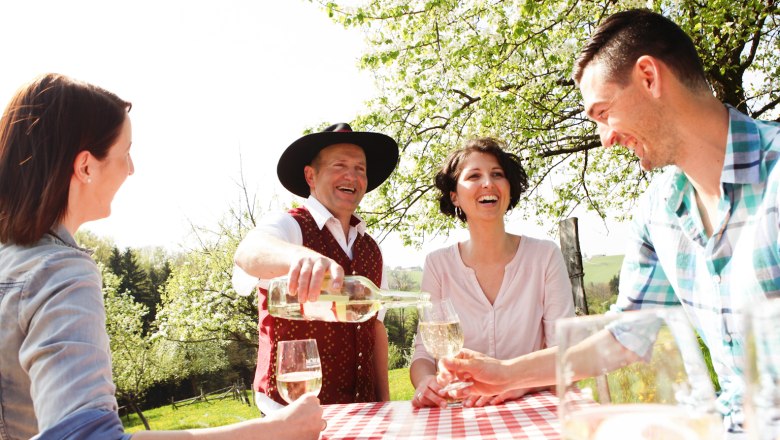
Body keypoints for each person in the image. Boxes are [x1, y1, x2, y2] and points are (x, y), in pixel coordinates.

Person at [438, 8, 780, 437]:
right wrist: (507, 374)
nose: (605, 139)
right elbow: (626, 336)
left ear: (649, 78)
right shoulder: (659, 211)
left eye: (603, 112)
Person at [0, 73, 324, 440]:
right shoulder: (60, 271)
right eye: (125, 152)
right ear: (86, 166)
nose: (131, 168)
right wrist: (275, 430)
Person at [233, 122, 399, 413]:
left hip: (363, 411)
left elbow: (375, 327)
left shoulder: (372, 248)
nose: (352, 176)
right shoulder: (290, 225)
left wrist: (384, 404)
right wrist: (299, 257)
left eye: (360, 169)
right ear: (311, 176)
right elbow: (248, 252)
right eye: (340, 165)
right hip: (289, 414)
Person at [409, 138, 574, 409]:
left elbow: (565, 353)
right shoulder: (438, 265)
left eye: (497, 174)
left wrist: (517, 382)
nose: (488, 183)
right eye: (474, 176)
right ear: (454, 196)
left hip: (532, 410)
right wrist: (426, 382)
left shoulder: (545, 256)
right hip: (462, 412)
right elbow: (425, 354)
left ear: (509, 188)